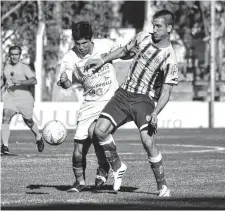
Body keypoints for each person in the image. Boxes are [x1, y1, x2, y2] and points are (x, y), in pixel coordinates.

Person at [85, 10, 178, 197]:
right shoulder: (143, 37)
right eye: (154, 25)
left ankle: (163, 186)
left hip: (144, 100)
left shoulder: (170, 58)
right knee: (98, 130)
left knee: (148, 141)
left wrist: (155, 113)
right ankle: (117, 166)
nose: (155, 29)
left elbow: (166, 92)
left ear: (169, 28)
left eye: (159, 26)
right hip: (124, 93)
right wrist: (102, 60)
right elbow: (123, 51)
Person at [57, 21, 119, 192]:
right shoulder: (70, 57)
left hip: (110, 99)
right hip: (89, 103)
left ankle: (103, 167)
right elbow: (67, 83)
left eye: (84, 43)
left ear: (91, 39)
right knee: (78, 149)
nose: (81, 47)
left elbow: (125, 52)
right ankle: (79, 182)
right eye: (78, 44)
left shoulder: (105, 45)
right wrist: (64, 82)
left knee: (96, 132)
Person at [1, 45, 44, 154]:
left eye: (16, 54)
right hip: (10, 97)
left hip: (25, 98)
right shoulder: (6, 67)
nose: (14, 57)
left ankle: (38, 136)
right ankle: (4, 146)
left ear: (20, 55)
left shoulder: (24, 67)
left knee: (29, 122)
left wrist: (21, 82)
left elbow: (34, 80)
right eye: (12, 54)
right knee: (5, 118)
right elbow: (3, 80)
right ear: (9, 55)